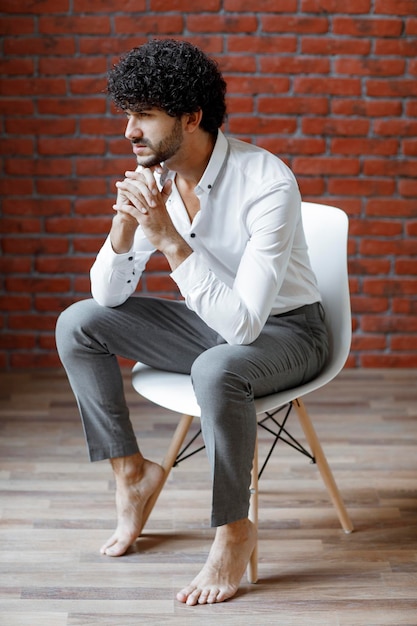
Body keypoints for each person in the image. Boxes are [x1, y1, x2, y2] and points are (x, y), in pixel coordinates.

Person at [56, 38, 329, 606]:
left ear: (191, 117)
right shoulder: (155, 177)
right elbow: (107, 296)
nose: (130, 131)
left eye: (145, 116)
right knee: (79, 323)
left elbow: (247, 326)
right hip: (213, 325)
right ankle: (131, 474)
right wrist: (126, 230)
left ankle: (234, 530)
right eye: (127, 114)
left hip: (289, 331)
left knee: (216, 369)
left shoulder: (267, 183)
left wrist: (169, 241)